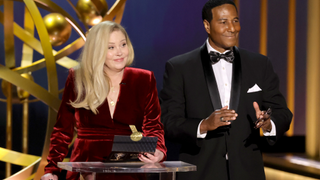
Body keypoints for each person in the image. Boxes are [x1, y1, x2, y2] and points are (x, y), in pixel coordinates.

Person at [159, 0, 292, 180]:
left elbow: (283, 113)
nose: (232, 28)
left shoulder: (260, 64)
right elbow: (168, 121)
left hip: (248, 172)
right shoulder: (179, 67)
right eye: (223, 22)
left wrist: (269, 124)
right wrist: (204, 124)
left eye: (235, 20)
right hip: (201, 172)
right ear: (207, 25)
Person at [41, 21, 166, 180]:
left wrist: (159, 150)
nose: (120, 52)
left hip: (129, 167)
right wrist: (52, 170)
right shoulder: (78, 78)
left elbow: (153, 125)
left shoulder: (144, 79)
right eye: (111, 47)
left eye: (123, 44)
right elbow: (62, 129)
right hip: (86, 165)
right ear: (97, 50)